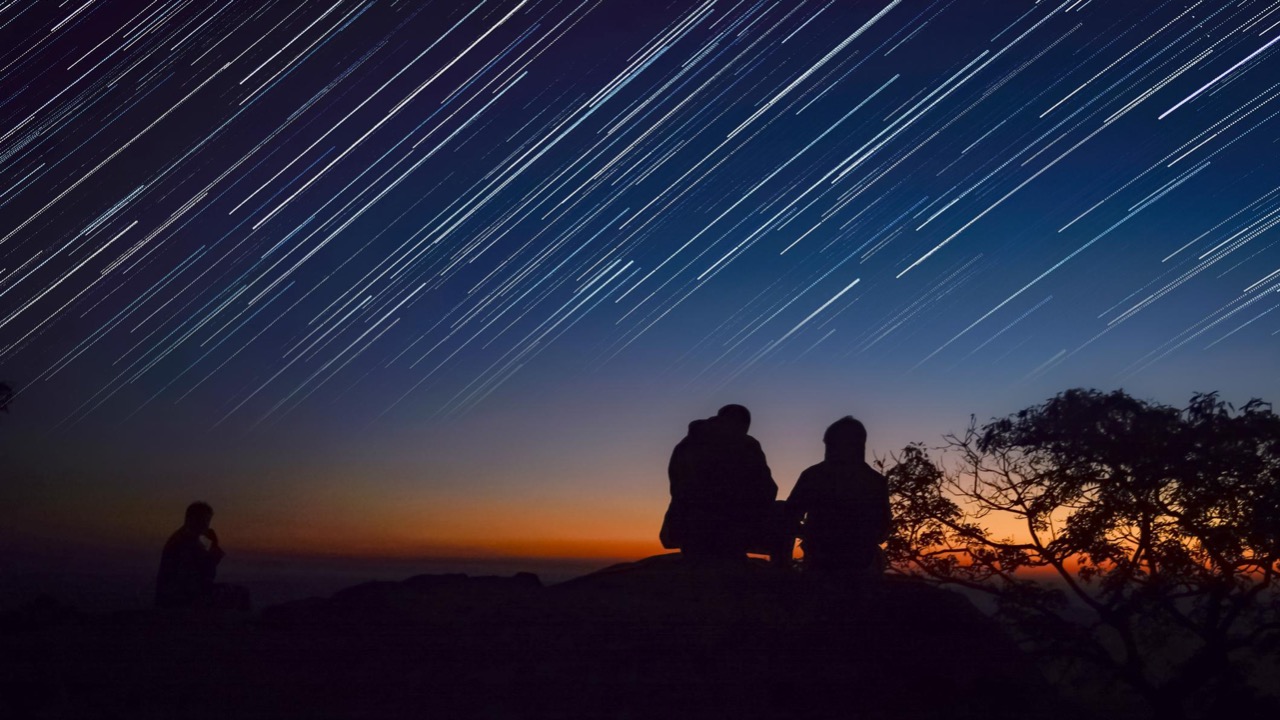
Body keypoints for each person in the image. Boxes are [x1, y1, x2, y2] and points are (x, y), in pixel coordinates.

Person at [660, 404, 778, 561]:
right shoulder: (746, 445)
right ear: (743, 423)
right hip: (730, 528)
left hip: (686, 526)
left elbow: (678, 484)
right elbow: (766, 488)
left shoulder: (687, 443)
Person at [786, 416, 891, 573]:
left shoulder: (814, 475)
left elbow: (790, 516)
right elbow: (884, 528)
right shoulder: (875, 480)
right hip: (858, 564)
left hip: (827, 564)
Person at [155, 501, 249, 610]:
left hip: (183, 594)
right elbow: (198, 576)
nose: (205, 524)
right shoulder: (185, 540)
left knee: (238, 592)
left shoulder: (194, 537)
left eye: (207, 520)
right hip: (180, 599)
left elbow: (212, 558)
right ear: (191, 519)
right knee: (241, 594)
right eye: (202, 520)